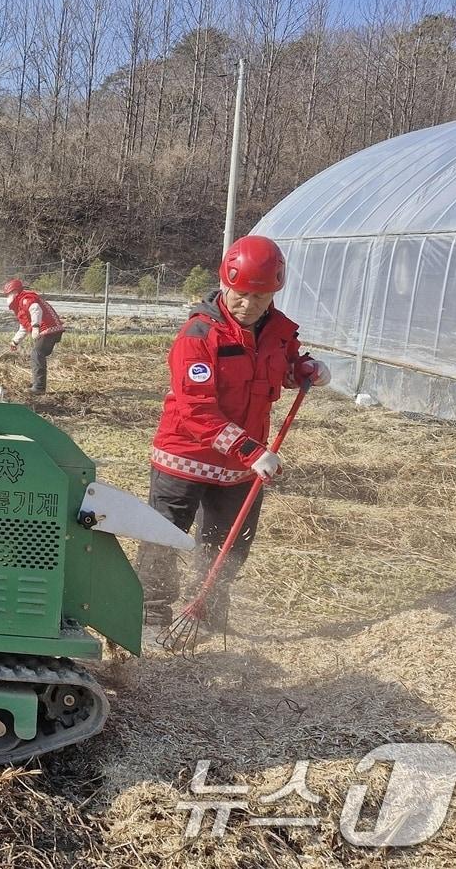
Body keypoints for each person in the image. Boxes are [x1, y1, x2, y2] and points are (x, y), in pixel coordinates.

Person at [136, 235, 330, 631]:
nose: (248, 305)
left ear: (273, 293)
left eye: (259, 298)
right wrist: (252, 451)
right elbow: (196, 410)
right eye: (240, 294)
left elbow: (283, 369)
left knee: (228, 542)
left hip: (238, 467)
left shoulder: (279, 332)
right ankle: (152, 616)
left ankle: (207, 612)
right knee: (164, 538)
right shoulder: (199, 336)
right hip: (185, 457)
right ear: (225, 283)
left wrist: (306, 370)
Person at [2, 277, 66, 395]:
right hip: (46, 330)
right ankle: (37, 385)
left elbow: (36, 309)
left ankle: (39, 388)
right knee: (37, 354)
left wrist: (36, 327)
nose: (8, 297)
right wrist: (15, 341)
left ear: (15, 292)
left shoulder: (25, 299)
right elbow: (24, 327)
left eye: (9, 294)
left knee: (37, 353)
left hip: (49, 329)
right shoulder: (20, 307)